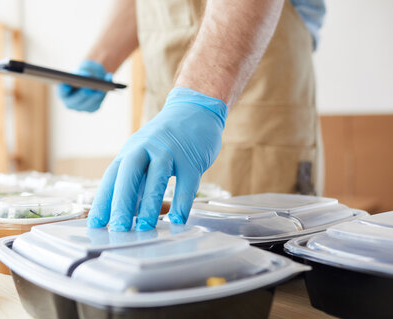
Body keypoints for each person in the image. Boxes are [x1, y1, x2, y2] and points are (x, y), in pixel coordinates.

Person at [58, 0, 325, 232]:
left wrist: (199, 99)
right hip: (167, 102)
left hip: (259, 83)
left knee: (260, 241)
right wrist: (101, 59)